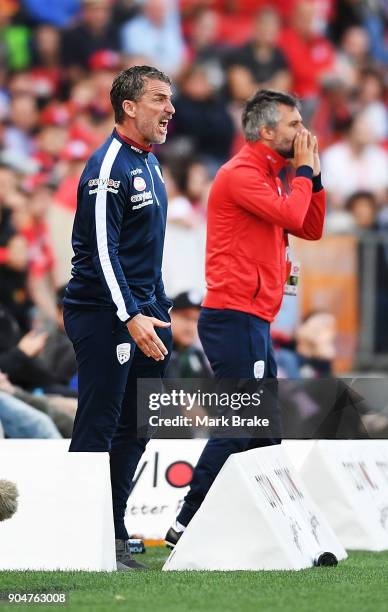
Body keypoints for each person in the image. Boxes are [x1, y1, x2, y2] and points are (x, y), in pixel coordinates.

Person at [165, 89, 326, 548]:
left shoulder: (275, 176)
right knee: (242, 425)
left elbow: (310, 226)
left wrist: (313, 176)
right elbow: (295, 213)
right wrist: (304, 173)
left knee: (266, 431)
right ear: (266, 130)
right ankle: (185, 523)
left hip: (253, 317)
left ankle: (262, 525)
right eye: (294, 125)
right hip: (233, 315)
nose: (303, 133)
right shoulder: (241, 174)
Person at [63, 65, 175, 571]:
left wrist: (159, 305)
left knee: (139, 424)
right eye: (159, 99)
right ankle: (74, 536)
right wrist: (131, 313)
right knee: (99, 423)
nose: (170, 109)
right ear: (129, 107)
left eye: (170, 99)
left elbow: (143, 251)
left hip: (142, 312)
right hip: (104, 313)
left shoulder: (148, 162)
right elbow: (104, 254)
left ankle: (110, 526)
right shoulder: (109, 166)